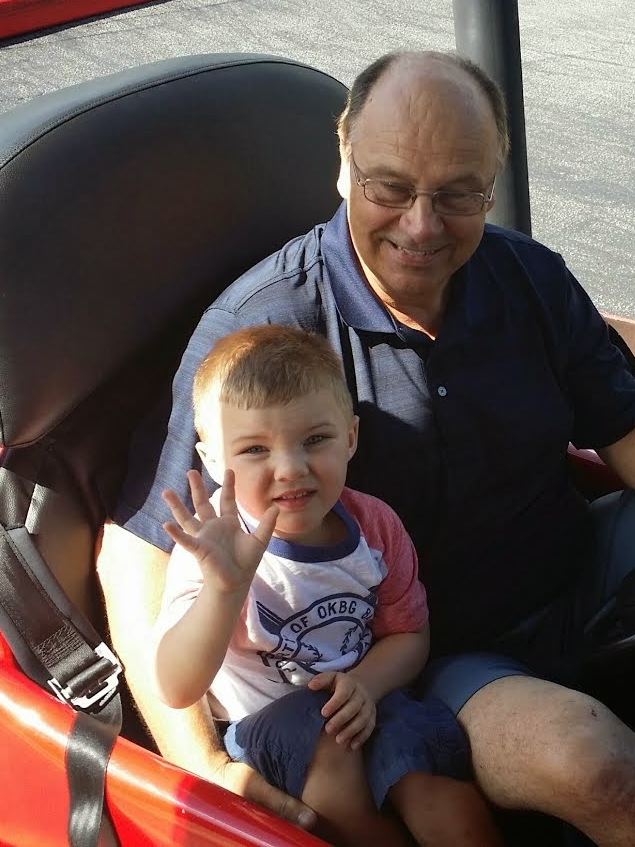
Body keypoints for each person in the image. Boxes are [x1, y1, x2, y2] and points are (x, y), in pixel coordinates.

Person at [100, 49, 635, 846]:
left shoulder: (527, 276)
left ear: (493, 177)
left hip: (572, 567)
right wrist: (197, 760)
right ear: (345, 159)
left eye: (460, 194)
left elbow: (631, 427)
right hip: (425, 657)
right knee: (589, 762)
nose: (422, 226)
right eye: (391, 188)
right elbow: (137, 550)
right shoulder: (265, 330)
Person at [152, 324, 500, 846]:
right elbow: (177, 688)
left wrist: (368, 683)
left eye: (315, 440)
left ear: (351, 437)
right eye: (253, 450)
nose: (290, 469)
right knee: (333, 750)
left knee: (435, 781)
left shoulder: (375, 527)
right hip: (269, 729)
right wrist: (221, 591)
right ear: (211, 462)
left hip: (367, 696)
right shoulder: (214, 552)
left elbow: (410, 635)